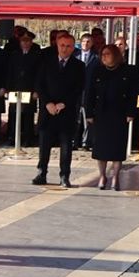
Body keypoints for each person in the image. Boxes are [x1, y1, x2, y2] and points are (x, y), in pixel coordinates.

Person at [32, 32, 86, 187]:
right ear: (57, 44)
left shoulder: (79, 66)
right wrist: (48, 103)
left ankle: (64, 176)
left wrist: (64, 104)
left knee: (66, 146)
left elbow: (78, 89)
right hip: (47, 110)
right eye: (62, 45)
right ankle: (41, 172)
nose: (65, 49)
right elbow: (39, 84)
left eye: (68, 46)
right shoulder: (46, 63)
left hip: (66, 112)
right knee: (44, 144)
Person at [84, 44, 139, 190]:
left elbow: (133, 94)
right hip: (101, 114)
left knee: (117, 147)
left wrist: (130, 112)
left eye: (108, 54)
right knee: (101, 148)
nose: (104, 57)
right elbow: (89, 93)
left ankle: (116, 176)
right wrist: (89, 113)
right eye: (103, 54)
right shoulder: (97, 71)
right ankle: (102, 175)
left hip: (119, 114)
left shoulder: (128, 71)